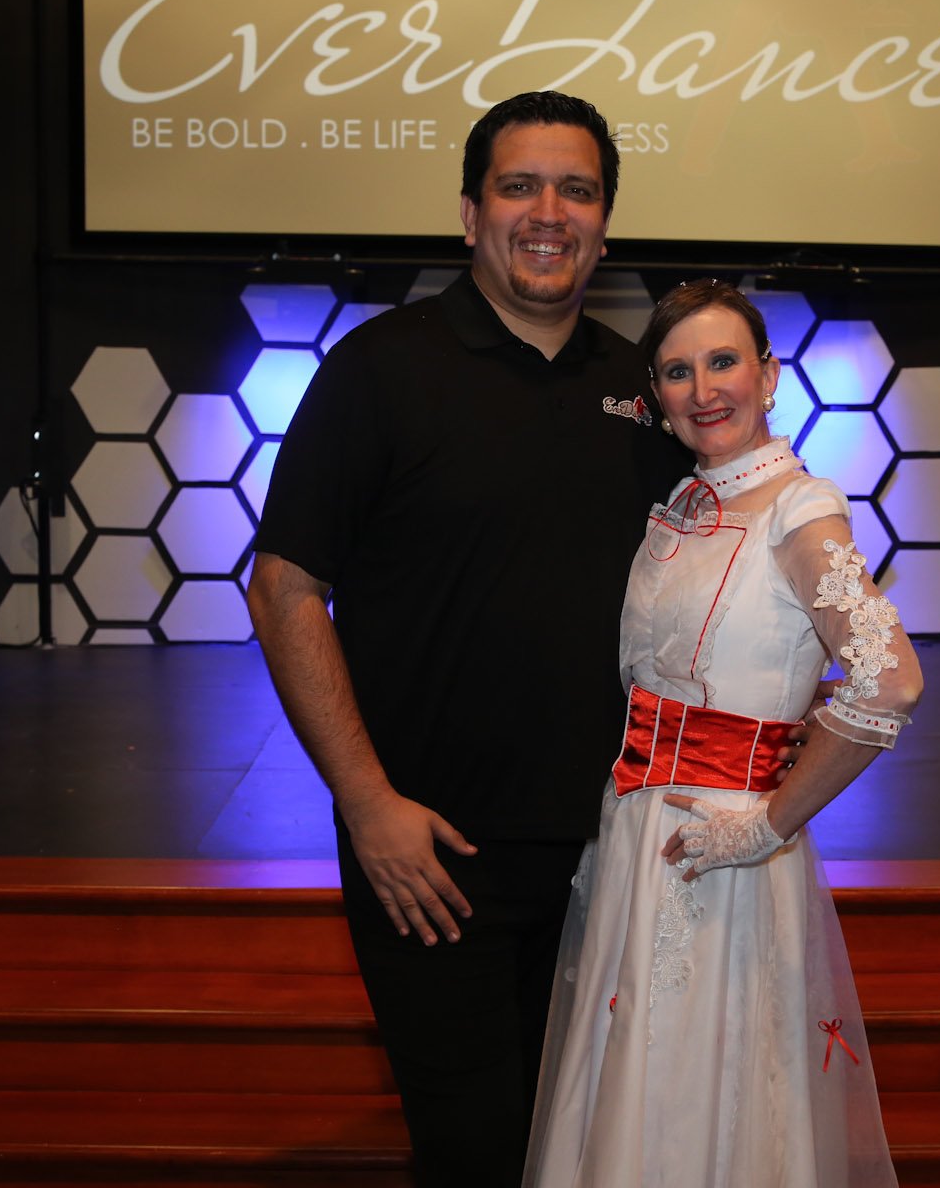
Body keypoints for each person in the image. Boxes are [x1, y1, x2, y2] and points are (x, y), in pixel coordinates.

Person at [246, 92, 689, 1186]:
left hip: (614, 858)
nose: (549, 212)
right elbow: (285, 588)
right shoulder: (378, 370)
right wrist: (368, 805)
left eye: (577, 190)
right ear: (468, 212)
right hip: (432, 861)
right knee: (477, 1156)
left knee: (593, 1155)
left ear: (605, 222)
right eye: (519, 185)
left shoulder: (641, 389)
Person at [523, 280, 922, 1187]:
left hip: (720, 852)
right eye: (677, 372)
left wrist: (768, 824)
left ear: (769, 376)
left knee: (702, 1096)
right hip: (635, 835)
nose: (703, 390)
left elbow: (892, 679)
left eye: (723, 362)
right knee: (633, 1086)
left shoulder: (800, 511)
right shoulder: (679, 502)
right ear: (656, 395)